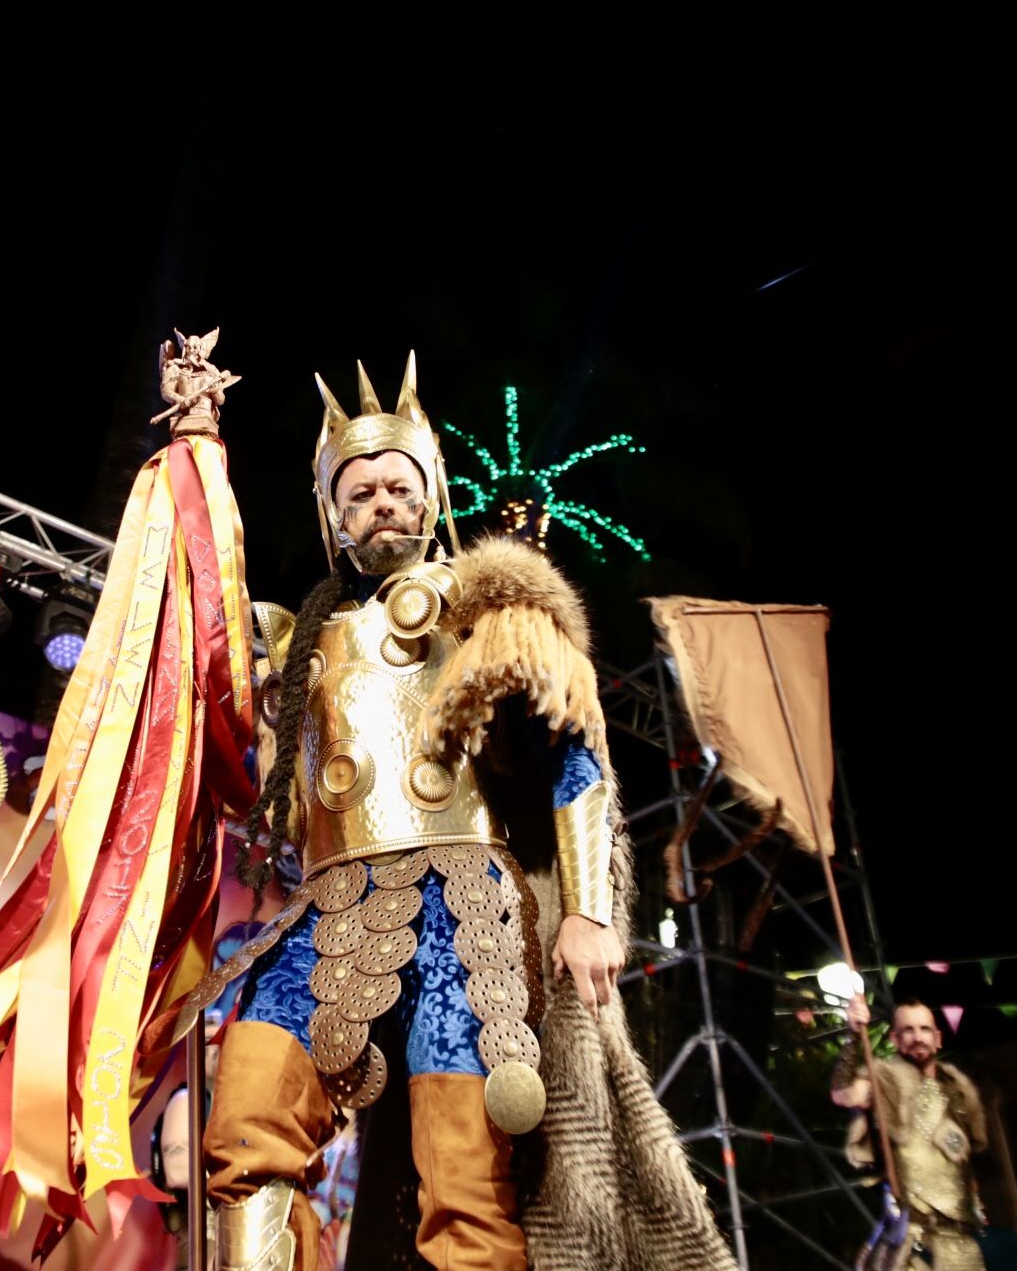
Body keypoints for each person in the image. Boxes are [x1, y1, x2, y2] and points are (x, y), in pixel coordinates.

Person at [174, 355, 734, 1270]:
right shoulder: (292, 633)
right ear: (333, 515)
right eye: (360, 492)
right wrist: (194, 451)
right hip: (329, 911)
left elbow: (574, 748)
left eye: (400, 486)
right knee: (244, 1124)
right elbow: (191, 623)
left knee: (463, 1176)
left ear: (429, 499)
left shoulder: (486, 605)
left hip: (461, 909)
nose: (382, 502)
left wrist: (590, 912)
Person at [833, 995, 989, 1271]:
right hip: (915, 1239)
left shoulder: (957, 1090)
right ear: (894, 1038)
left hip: (963, 1236)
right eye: (909, 1030)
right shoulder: (884, 1082)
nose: (918, 1037)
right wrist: (853, 1036)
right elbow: (843, 1094)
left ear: (938, 1038)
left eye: (924, 1029)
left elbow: (962, 1162)